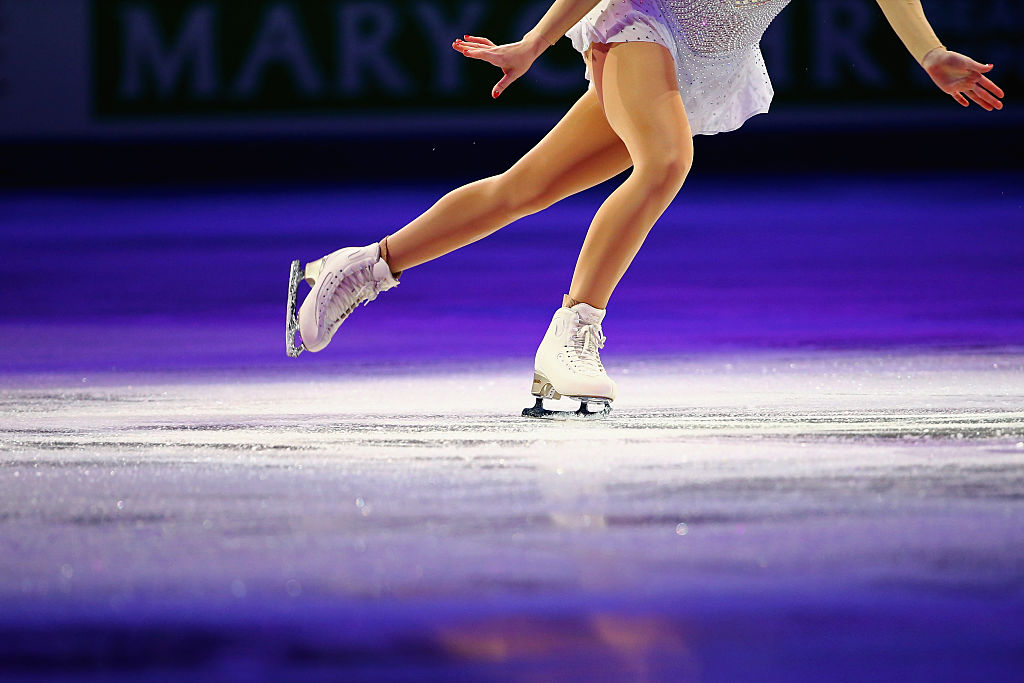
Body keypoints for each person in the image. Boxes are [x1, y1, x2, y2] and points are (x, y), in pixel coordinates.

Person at [285, 0, 1004, 418]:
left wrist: (931, 53)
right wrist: (534, 44)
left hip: (711, 58)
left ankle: (360, 267)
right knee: (666, 162)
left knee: (522, 188)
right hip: (646, 26)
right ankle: (570, 337)